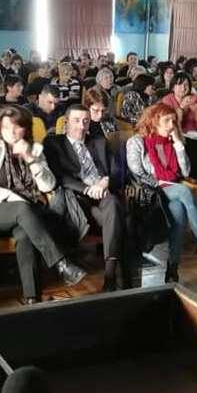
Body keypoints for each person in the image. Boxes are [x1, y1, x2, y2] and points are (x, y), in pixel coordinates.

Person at [0, 106, 86, 304]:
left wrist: (30, 158)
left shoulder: (35, 149)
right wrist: (15, 199)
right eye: (6, 127)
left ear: (26, 128)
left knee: (24, 234)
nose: (11, 132)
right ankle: (62, 264)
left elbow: (48, 185)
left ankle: (32, 298)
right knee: (23, 208)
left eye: (17, 127)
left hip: (29, 216)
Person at [127, 103, 197, 282]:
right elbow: (137, 173)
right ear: (154, 121)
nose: (171, 125)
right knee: (184, 190)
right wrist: (159, 183)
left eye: (173, 121)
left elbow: (185, 172)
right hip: (151, 192)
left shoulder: (172, 141)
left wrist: (179, 143)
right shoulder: (136, 142)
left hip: (173, 191)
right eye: (166, 121)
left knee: (178, 211)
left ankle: (172, 269)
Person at [44, 105, 124, 292]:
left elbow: (117, 171)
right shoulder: (54, 143)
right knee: (117, 217)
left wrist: (105, 182)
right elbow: (59, 176)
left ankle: (110, 273)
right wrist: (87, 189)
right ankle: (116, 275)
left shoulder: (99, 141)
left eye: (85, 121)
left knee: (113, 203)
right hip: (77, 198)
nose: (81, 126)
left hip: (102, 195)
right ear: (66, 122)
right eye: (76, 121)